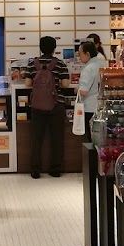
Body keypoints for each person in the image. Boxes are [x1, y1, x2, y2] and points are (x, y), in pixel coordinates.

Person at [24, 36, 71, 178]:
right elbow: (65, 84)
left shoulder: (32, 64)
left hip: (37, 105)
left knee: (36, 139)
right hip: (56, 105)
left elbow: (27, 83)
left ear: (40, 47)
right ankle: (55, 169)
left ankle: (35, 170)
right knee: (56, 138)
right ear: (54, 48)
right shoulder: (60, 64)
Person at [75, 41, 102, 142]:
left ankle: (91, 158)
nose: (79, 56)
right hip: (100, 106)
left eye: (80, 54)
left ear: (87, 54)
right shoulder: (101, 63)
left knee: (90, 139)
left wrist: (77, 89)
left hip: (89, 108)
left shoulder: (88, 69)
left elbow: (84, 91)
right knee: (98, 138)